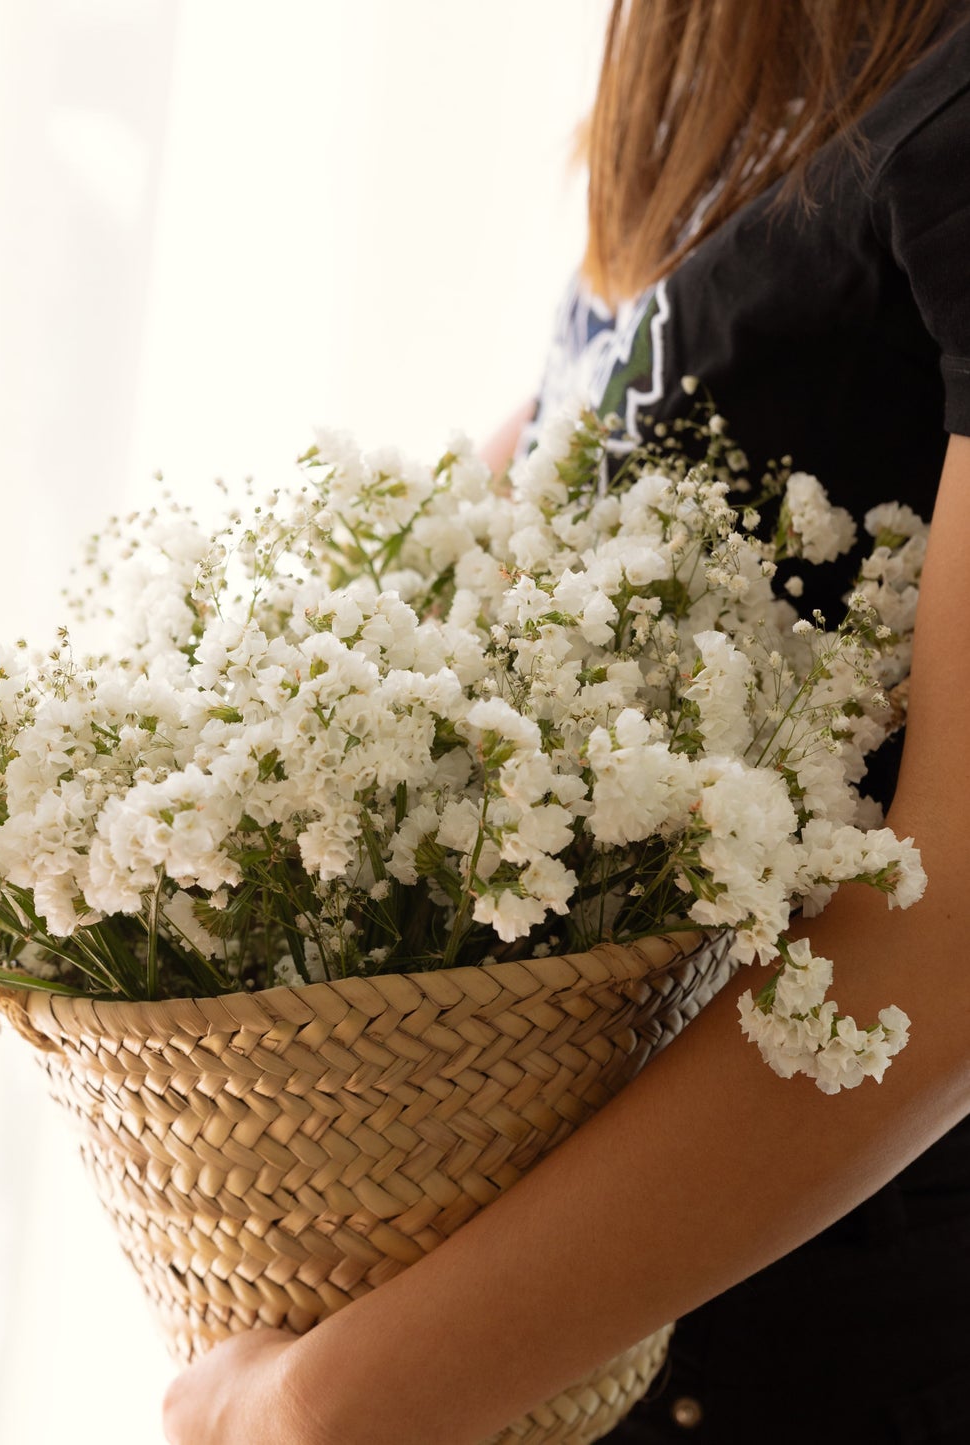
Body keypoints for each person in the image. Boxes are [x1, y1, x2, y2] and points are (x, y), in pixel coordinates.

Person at [162, 3, 970, 1441]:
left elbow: (953, 924)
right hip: (572, 1348)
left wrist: (332, 1401)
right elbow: (545, 516)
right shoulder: (746, 67)